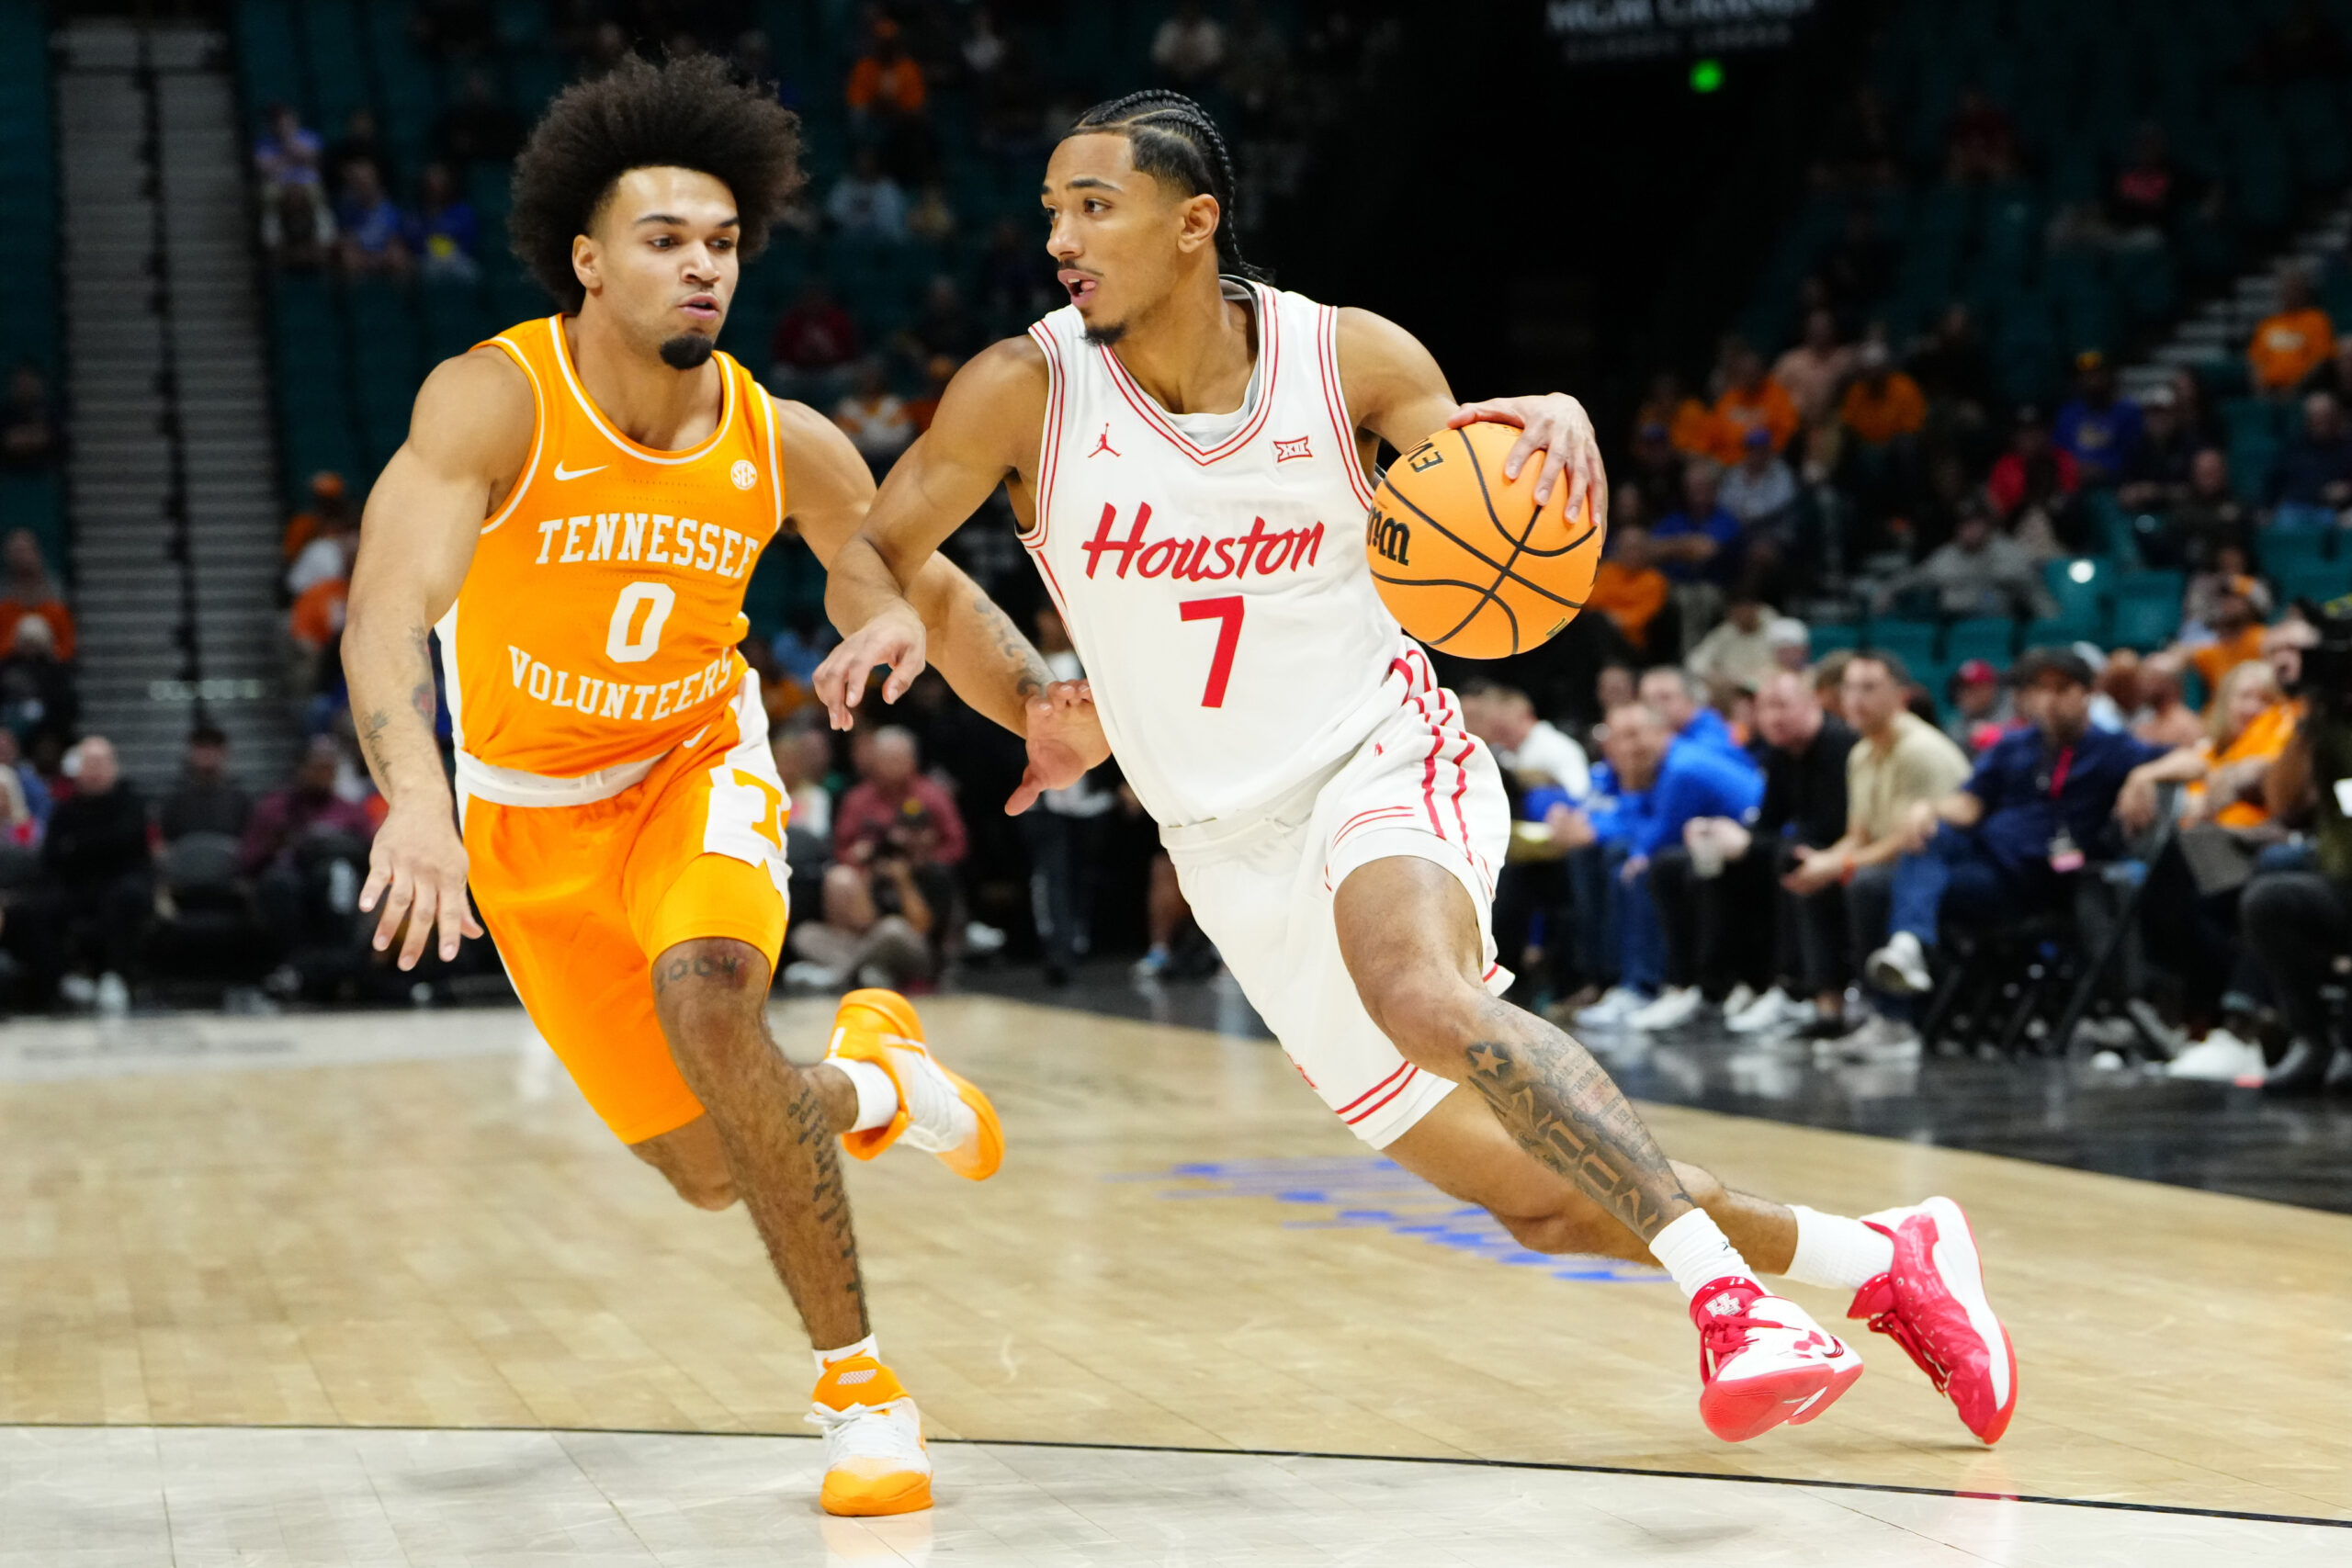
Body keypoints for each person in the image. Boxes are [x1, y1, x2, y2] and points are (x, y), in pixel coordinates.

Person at [814, 89, 2017, 1448]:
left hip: (1378, 754)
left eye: (1095, 206)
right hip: (1221, 843)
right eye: (1053, 212)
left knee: (1416, 988)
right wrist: (899, 614)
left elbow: (1483, 479)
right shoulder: (1022, 388)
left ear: (1194, 222)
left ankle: (1730, 1302)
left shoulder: (1349, 363)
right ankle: (1885, 1260)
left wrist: (1550, 425)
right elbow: (870, 546)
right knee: (1541, 1199)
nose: (1062, 240)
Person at [338, 55, 1065, 1517]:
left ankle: (860, 1389)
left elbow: (920, 589)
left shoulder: (779, 436)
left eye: (724, 243)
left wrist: (1044, 710)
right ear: (589, 259)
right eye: (667, 239)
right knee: (716, 1164)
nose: (702, 267)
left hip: (694, 763)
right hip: (525, 822)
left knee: (710, 1003)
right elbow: (381, 612)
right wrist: (416, 800)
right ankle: (876, 1080)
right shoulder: (491, 403)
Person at [1863, 648, 2204, 1001]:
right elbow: (1969, 805)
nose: (2050, 700)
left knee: (1889, 884)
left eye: (2061, 689)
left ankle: (1907, 954)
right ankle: (1906, 952)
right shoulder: (2013, 746)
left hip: (2040, 880)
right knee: (1916, 847)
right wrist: (1927, 808)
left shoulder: (2111, 748)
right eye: (2040, 690)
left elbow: (2195, 762)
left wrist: (2146, 773)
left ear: (2086, 693)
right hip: (1987, 866)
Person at [1781, 653, 1973, 1049]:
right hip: (1894, 861)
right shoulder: (1861, 753)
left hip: (1942, 870)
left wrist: (1841, 865)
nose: (1856, 699)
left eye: (1869, 688)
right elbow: (1859, 835)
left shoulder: (1919, 750)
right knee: (1811, 874)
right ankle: (1830, 1009)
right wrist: (1824, 863)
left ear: (1899, 696)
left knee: (1866, 884)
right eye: (1849, 688)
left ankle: (1891, 1017)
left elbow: (1910, 843)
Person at [1713, 671, 1860, 1038]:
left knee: (1789, 862)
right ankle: (1731, 985)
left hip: (1848, 852)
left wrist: (1752, 844)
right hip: (1809, 848)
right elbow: (1768, 822)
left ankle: (1795, 990)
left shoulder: (1840, 745)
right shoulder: (1780, 754)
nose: (1772, 717)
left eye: (1782, 705)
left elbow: (1831, 828)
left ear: (1811, 704)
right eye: (1764, 708)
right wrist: (1732, 838)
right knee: (1719, 863)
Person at [1615, 698, 1772, 1032]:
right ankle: (1673, 985)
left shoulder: (1681, 768)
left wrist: (1629, 792)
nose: (1631, 747)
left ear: (1661, 731)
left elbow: (1660, 833)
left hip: (1761, 844)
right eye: (1623, 737)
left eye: (1637, 735)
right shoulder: (1670, 762)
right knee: (1666, 867)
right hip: (1731, 841)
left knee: (1658, 869)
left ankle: (1691, 986)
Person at [1020, 607, 1114, 983]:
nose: (1049, 623)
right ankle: (1058, 951)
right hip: (1047, 799)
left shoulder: (1089, 665)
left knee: (1084, 876)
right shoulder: (1026, 665)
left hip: (1091, 797)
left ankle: (1081, 941)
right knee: (1052, 876)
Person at [35, 737, 151, 1014]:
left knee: (125, 897)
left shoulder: (132, 802)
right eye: (90, 763)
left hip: (121, 882)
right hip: (76, 884)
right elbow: (51, 855)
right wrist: (86, 848)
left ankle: (115, 975)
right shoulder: (65, 807)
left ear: (114, 767)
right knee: (34, 908)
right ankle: (64, 978)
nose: (96, 770)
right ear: (78, 768)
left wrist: (78, 846)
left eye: (102, 763)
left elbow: (126, 843)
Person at [1874, 498, 2055, 621]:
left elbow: (2029, 584)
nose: (1969, 530)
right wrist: (1889, 590)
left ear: (1987, 525)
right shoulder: (1947, 554)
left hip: (2001, 623)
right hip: (1957, 624)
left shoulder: (2007, 551)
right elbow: (1917, 577)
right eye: (1964, 524)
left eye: (1975, 523)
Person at [2052, 352, 2143, 489]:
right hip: (2071, 485)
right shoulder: (2068, 413)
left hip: (2115, 486)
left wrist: (2105, 469)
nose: (2093, 380)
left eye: (2098, 374)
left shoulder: (2127, 412)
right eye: (2087, 375)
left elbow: (2133, 453)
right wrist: (2073, 470)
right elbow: (2059, 452)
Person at [2264, 389, 2352, 526]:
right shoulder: (2293, 447)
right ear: (2307, 419)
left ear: (2335, 417)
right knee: (2283, 520)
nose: (2321, 422)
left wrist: (2347, 489)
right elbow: (2273, 480)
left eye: (2326, 416)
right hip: (2297, 508)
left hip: (2337, 510)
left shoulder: (2347, 447)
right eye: (2316, 417)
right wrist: (2264, 507)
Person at [2248, 265, 2335, 396]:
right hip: (2269, 391)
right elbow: (2256, 361)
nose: (2288, 293)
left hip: (2303, 391)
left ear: (2303, 291)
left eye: (2293, 288)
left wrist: (2295, 388)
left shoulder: (2317, 320)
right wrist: (2260, 392)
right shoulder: (2268, 324)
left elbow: (2321, 360)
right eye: (2285, 288)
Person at [158, 723, 252, 842]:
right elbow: (164, 840)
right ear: (190, 753)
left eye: (213, 747)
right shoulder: (175, 797)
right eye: (201, 747)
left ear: (224, 752)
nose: (208, 753)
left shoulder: (240, 798)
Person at [0, 528, 74, 660]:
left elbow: (67, 645)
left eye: (25, 550)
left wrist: (49, 649)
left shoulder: (55, 596)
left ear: (36, 552)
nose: (22, 557)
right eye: (17, 551)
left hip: (50, 666)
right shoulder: (4, 601)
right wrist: (15, 646)